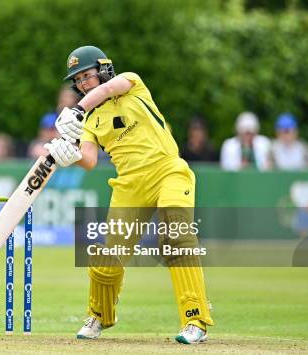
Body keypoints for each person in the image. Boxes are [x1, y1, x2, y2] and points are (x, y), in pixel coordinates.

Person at [46, 45, 214, 344]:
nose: (84, 83)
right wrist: (65, 153)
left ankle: (195, 320)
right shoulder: (89, 121)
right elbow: (89, 161)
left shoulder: (129, 83)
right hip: (129, 185)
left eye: (87, 75)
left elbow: (111, 87)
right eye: (79, 80)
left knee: (177, 237)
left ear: (103, 68)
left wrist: (78, 108)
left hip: (168, 171)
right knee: (108, 255)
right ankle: (99, 315)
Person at [28, 86, 78, 158]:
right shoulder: (50, 117)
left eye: (69, 97)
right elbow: (44, 136)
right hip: (51, 146)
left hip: (71, 148)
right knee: (37, 149)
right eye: (64, 96)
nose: (65, 99)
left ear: (75, 100)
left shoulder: (80, 117)